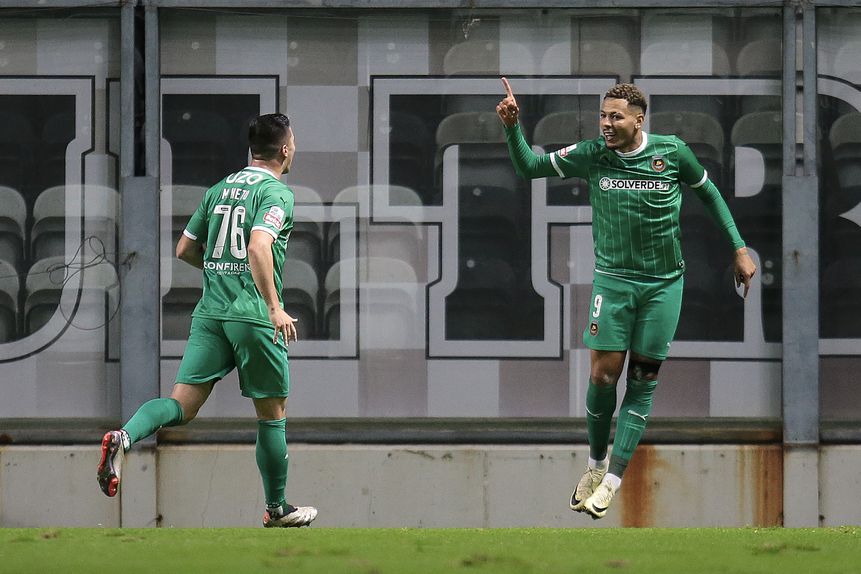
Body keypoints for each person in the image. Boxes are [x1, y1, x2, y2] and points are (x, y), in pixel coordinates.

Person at [496, 79, 756, 519]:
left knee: (642, 378)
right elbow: (528, 167)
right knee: (603, 376)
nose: (606, 124)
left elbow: (709, 193)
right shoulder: (592, 154)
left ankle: (613, 480)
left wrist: (739, 247)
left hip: (663, 285)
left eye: (615, 117)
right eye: (602, 115)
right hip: (613, 283)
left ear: (639, 120)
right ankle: (596, 465)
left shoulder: (672, 152)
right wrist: (511, 127)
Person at [97, 113, 317, 528]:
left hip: (211, 314)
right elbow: (258, 246)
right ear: (285, 149)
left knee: (181, 405)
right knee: (272, 414)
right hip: (253, 316)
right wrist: (274, 307)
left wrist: (221, 272)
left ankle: (124, 436)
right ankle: (276, 509)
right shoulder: (276, 193)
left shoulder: (219, 189)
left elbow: (184, 248)